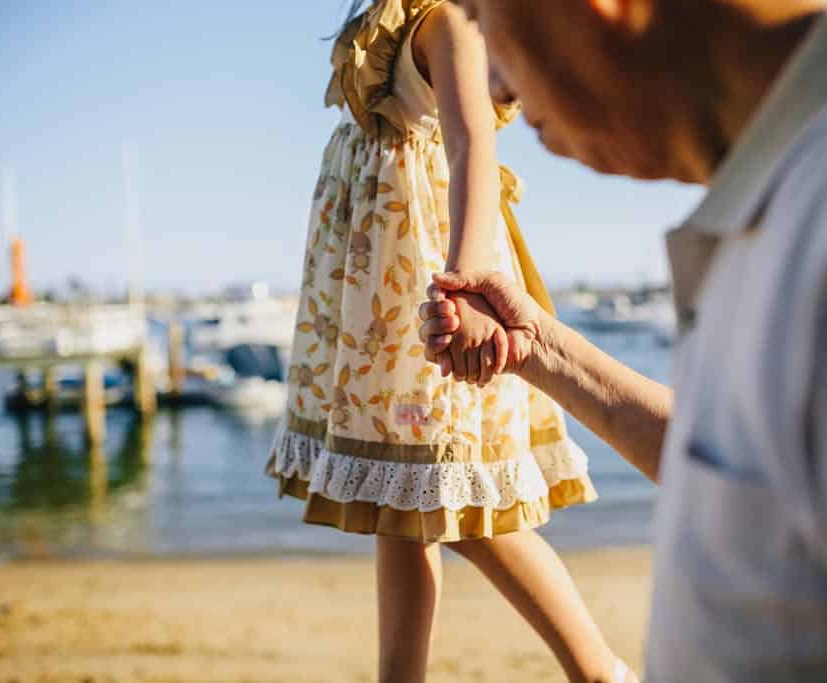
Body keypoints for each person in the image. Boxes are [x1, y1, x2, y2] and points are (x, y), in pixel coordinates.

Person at [421, 0, 827, 680]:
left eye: (484, 20)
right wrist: (541, 349)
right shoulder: (795, 188)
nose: (494, 87)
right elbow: (765, 490)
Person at [266, 1, 635, 681]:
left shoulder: (446, 21)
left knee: (456, 493)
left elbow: (473, 146)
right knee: (398, 504)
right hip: (377, 292)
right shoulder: (396, 19)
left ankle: (600, 669)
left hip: (423, 282)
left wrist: (465, 281)